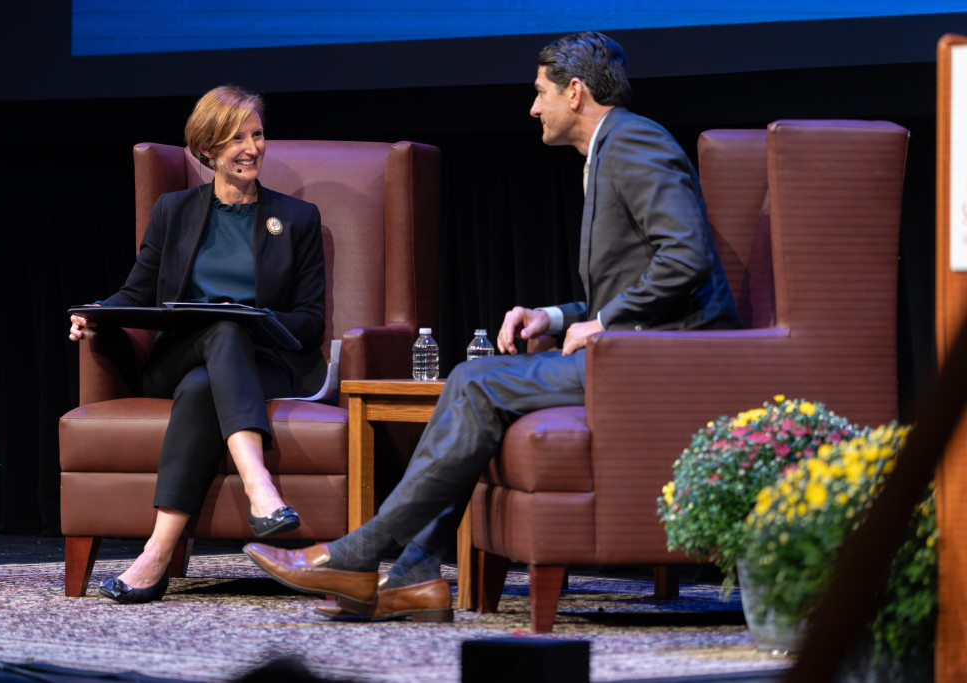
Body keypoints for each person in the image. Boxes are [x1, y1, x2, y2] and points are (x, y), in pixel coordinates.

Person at [243, 31, 740, 621]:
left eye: (540, 92)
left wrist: (607, 322)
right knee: (472, 379)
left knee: (477, 383)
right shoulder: (610, 151)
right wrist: (555, 317)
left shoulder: (635, 143)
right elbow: (636, 279)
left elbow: (686, 259)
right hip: (631, 351)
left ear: (574, 92)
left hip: (664, 361)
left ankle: (359, 552)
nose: (533, 108)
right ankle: (416, 576)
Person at [68, 85, 328, 604]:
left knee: (206, 379)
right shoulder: (175, 210)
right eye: (236, 139)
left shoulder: (297, 218)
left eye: (256, 135)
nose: (251, 148)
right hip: (179, 354)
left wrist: (260, 319)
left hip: (266, 363)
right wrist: (94, 315)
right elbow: (138, 290)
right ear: (207, 149)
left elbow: (310, 320)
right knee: (220, 329)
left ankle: (157, 553)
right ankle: (261, 490)